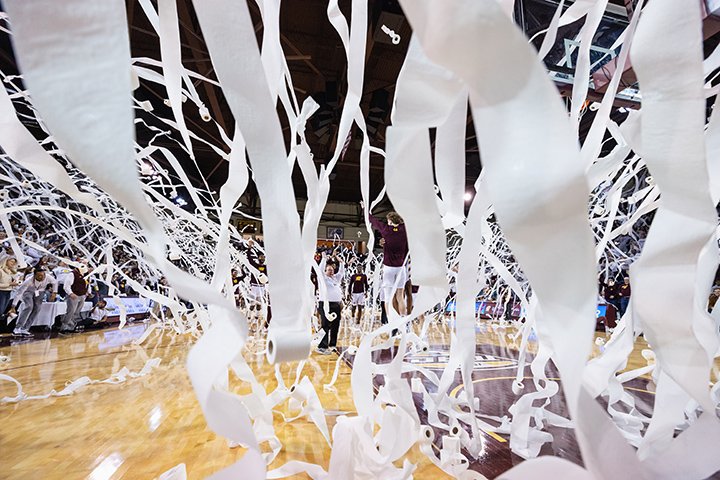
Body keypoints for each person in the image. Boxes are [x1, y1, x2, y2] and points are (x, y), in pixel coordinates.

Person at [367, 208, 409, 320]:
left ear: (390, 220)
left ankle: (391, 322)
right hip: (401, 268)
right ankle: (403, 320)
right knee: (400, 296)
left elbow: (373, 220)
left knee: (388, 298)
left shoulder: (386, 229)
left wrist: (365, 209)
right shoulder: (405, 229)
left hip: (388, 268)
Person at [12, 267, 58, 337]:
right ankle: (17, 327)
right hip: (28, 292)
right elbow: (19, 293)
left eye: (42, 275)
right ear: (34, 275)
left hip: (40, 292)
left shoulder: (48, 277)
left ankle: (25, 328)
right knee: (29, 307)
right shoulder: (28, 281)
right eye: (39, 276)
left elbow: (55, 282)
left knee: (37, 309)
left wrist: (54, 292)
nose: (41, 277)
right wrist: (13, 306)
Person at [317, 251, 344, 355]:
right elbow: (320, 269)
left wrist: (340, 262)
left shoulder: (336, 279)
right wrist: (324, 258)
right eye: (329, 270)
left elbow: (341, 272)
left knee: (335, 325)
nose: (331, 271)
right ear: (325, 271)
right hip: (325, 305)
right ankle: (321, 346)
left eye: (332, 270)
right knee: (325, 325)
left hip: (336, 305)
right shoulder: (322, 278)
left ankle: (332, 345)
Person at [60, 261, 89, 334]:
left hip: (82, 295)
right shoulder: (72, 274)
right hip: (74, 295)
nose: (85, 265)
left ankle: (72, 327)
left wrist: (87, 292)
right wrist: (70, 293)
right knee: (70, 312)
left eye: (86, 264)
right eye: (84, 264)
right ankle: (64, 327)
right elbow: (66, 285)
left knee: (76, 312)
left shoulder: (86, 275)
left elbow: (88, 284)